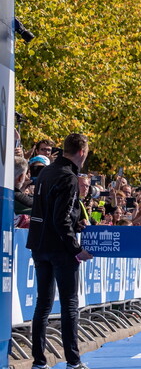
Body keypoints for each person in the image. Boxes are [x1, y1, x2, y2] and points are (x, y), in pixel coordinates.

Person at [27, 133, 93, 369]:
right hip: (59, 249)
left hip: (39, 245)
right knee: (69, 305)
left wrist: (76, 223)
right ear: (82, 152)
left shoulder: (46, 172)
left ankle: (39, 361)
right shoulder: (69, 177)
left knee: (42, 305)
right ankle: (73, 361)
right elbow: (60, 219)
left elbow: (54, 213)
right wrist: (77, 250)